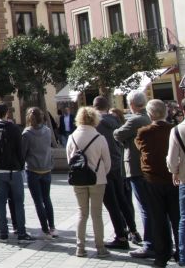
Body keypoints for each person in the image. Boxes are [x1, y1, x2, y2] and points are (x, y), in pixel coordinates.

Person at [136, 99, 180, 268]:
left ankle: (162, 255)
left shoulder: (143, 132)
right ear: (166, 112)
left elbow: (140, 148)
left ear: (150, 114)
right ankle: (180, 252)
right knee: (176, 218)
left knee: (158, 218)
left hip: (152, 180)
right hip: (173, 178)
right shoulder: (173, 130)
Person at [67, 106, 111, 258]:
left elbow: (69, 160)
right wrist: (101, 173)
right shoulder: (100, 138)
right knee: (97, 214)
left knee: (82, 213)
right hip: (97, 179)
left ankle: (80, 247)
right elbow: (107, 162)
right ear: (95, 119)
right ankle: (100, 247)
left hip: (78, 179)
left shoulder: (72, 137)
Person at [93, 95, 135, 251]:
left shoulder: (98, 124)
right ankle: (133, 230)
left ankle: (121, 236)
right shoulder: (116, 119)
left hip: (105, 166)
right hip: (118, 163)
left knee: (111, 203)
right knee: (122, 199)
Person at [115, 89, 154, 258]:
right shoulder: (149, 117)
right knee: (151, 207)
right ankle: (155, 240)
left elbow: (117, 134)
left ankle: (149, 244)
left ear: (131, 104)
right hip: (148, 167)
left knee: (144, 208)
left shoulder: (137, 119)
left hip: (137, 168)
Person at [0, 102, 32, 241]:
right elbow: (20, 149)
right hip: (13, 170)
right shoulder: (13, 128)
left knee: (0, 201)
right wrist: (20, 165)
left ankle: (4, 232)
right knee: (18, 202)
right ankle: (21, 232)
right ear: (7, 113)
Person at [168, 95, 185, 267]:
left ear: (182, 111)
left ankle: (184, 260)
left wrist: (174, 172)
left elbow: (171, 160)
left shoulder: (177, 130)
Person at [21, 107, 56, 238]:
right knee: (47, 199)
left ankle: (45, 229)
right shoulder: (47, 131)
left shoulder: (26, 133)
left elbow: (23, 153)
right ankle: (52, 227)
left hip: (32, 169)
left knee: (38, 201)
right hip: (46, 168)